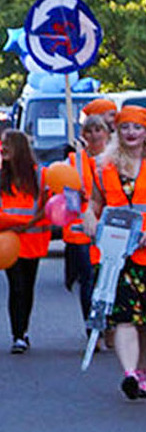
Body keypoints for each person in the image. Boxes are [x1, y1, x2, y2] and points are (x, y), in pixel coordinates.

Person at [83, 106, 146, 400]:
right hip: (116, 253)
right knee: (124, 316)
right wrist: (90, 220)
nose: (131, 133)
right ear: (117, 132)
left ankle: (143, 371)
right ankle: (129, 373)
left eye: (137, 128)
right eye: (125, 128)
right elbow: (94, 203)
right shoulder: (103, 165)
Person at [62, 101, 115, 322]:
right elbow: (65, 192)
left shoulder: (115, 159)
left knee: (110, 277)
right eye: (89, 131)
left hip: (111, 224)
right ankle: (92, 326)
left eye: (98, 130)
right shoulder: (74, 159)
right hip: (83, 229)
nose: (94, 135)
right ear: (83, 134)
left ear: (106, 132)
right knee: (89, 279)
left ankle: (110, 323)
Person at [0, 130, 49, 353]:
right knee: (17, 286)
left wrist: (28, 224)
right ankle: (18, 335)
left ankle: (24, 330)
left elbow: (48, 206)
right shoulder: (1, 176)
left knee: (27, 287)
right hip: (8, 241)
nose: (2, 148)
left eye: (6, 144)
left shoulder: (40, 176)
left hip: (33, 240)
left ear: (18, 148)